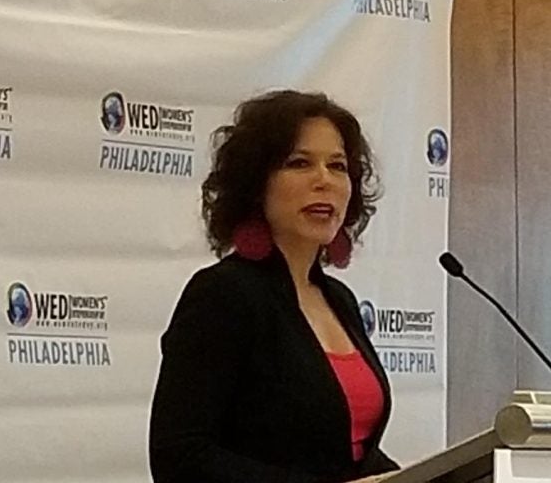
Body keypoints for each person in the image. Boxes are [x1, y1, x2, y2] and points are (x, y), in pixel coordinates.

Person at [149, 90, 399, 483]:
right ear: (255, 184)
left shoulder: (339, 301)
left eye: (337, 166)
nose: (324, 180)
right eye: (299, 163)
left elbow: (343, 452)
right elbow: (181, 457)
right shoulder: (223, 294)